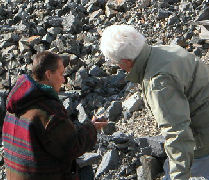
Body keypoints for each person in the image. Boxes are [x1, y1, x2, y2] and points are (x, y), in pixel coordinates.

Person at [100, 24, 209, 180]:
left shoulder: (157, 82)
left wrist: (179, 176)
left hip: (204, 142)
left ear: (126, 62)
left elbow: (177, 133)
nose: (116, 66)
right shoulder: (163, 51)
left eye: (114, 62)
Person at [2, 51, 107, 180]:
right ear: (48, 74)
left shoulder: (13, 106)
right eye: (61, 74)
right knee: (86, 171)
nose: (64, 79)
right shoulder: (49, 112)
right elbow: (72, 147)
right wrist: (92, 128)